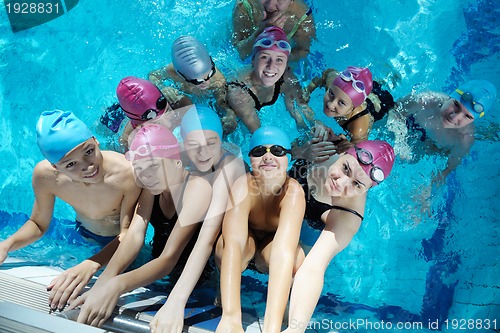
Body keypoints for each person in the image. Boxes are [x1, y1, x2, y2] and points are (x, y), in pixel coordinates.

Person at [68, 122, 219, 329]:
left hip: (198, 282)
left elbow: (169, 258)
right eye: (140, 169)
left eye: (154, 166)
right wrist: (104, 281)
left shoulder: (197, 188)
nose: (146, 175)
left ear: (176, 160)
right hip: (153, 272)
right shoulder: (151, 187)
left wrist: (117, 285)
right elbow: (134, 235)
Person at [0, 110, 141, 312]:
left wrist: (93, 263)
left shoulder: (127, 173)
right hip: (83, 234)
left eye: (88, 151)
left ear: (95, 140)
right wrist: (7, 245)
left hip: (119, 248)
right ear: (55, 167)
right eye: (71, 164)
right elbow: (39, 224)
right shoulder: (45, 176)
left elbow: (128, 234)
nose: (88, 166)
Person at [148, 105, 248, 333]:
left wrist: (175, 302)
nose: (202, 153)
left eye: (211, 144)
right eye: (193, 146)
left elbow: (208, 237)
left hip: (230, 243)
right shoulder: (179, 160)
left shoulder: (230, 165)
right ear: (182, 145)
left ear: (221, 140)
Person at [282, 140, 395, 333]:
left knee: (297, 267)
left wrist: (295, 328)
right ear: (343, 154)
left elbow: (313, 268)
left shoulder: (349, 214)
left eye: (357, 184)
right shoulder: (323, 148)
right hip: (285, 198)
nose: (340, 183)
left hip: (312, 222)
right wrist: (299, 151)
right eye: (345, 168)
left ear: (367, 189)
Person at [215, 126, 306, 333]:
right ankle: (224, 291)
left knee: (296, 258)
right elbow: (234, 245)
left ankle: (281, 309)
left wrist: (271, 327)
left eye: (277, 151)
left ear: (288, 159)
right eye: (259, 151)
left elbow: (283, 254)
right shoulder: (243, 186)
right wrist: (231, 317)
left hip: (271, 250)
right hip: (246, 244)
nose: (268, 157)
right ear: (251, 160)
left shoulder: (293, 193)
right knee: (222, 249)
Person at [387, 79, 496, 184]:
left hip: (433, 148)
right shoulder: (426, 100)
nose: (454, 117)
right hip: (411, 125)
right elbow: (394, 111)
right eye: (456, 105)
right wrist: (400, 139)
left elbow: (447, 169)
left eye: (467, 116)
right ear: (450, 96)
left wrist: (428, 186)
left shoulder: (464, 138)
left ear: (473, 120)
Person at [226, 26, 315, 133]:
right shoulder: (238, 93)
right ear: (253, 60)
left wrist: (316, 128)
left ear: (286, 65)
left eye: (279, 59)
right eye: (264, 57)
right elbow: (258, 134)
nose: (271, 66)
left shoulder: (287, 80)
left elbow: (301, 114)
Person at [148, 36, 235, 133]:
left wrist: (230, 114)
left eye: (210, 74)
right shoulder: (172, 71)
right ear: (181, 75)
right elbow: (153, 75)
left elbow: (221, 103)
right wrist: (162, 88)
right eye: (198, 81)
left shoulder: (217, 80)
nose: (207, 82)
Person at [115, 76, 186, 149]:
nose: (168, 125)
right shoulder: (130, 140)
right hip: (116, 119)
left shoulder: (174, 102)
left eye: (168, 111)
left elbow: (154, 75)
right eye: (156, 123)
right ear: (140, 126)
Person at [232, 0, 315, 62]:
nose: (270, 5)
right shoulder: (245, 5)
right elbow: (239, 53)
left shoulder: (302, 17)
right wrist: (259, 34)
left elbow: (304, 51)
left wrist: (282, 56)